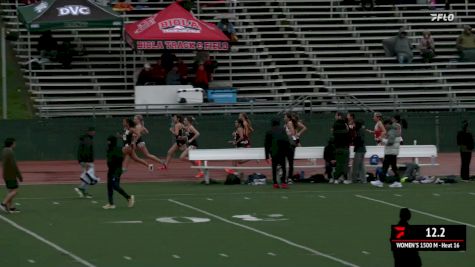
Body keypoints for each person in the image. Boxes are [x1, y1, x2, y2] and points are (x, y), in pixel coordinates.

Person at [103, 136, 135, 210]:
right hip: (110, 170)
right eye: (107, 141)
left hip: (116, 171)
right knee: (109, 186)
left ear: (113, 142)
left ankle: (129, 197)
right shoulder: (108, 149)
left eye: (109, 141)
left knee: (115, 185)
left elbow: (128, 153)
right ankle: (111, 204)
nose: (108, 143)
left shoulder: (120, 149)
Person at [371, 120, 403, 188]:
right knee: (393, 167)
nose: (384, 126)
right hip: (393, 152)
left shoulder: (391, 131)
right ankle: (397, 182)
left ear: (389, 124)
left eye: (385, 125)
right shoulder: (394, 130)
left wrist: (382, 140)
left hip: (390, 152)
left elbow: (390, 142)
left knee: (385, 167)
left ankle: (380, 182)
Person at [265, 118, 292, 189]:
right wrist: (287, 151)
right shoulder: (283, 130)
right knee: (283, 167)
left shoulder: (269, 131)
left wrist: (267, 156)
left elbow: (266, 145)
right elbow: (287, 141)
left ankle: (275, 183)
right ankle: (283, 183)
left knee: (274, 167)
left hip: (274, 150)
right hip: (282, 150)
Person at [0, 138, 23, 213]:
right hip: (10, 174)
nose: (15, 144)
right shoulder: (10, 151)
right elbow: (14, 165)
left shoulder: (4, 150)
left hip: (6, 173)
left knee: (10, 190)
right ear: (12, 144)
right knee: (15, 191)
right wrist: (19, 175)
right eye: (14, 143)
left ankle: (11, 207)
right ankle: (3, 204)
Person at [74, 127, 97, 198]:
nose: (94, 133)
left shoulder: (86, 139)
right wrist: (85, 162)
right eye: (93, 131)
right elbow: (86, 151)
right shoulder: (87, 140)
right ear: (89, 132)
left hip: (85, 160)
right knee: (89, 175)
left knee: (88, 176)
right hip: (87, 161)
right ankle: (81, 188)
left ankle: (83, 190)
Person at [332, 112, 351, 184]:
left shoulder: (335, 131)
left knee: (338, 164)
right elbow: (348, 131)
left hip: (338, 148)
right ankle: (345, 179)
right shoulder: (346, 129)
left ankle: (336, 179)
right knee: (345, 164)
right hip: (345, 148)